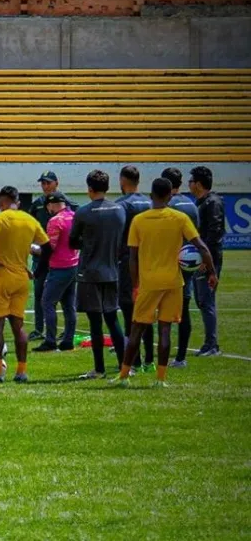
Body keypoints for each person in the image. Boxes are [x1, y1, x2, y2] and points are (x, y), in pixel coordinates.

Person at [110, 178, 218, 387]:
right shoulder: (179, 218)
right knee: (165, 329)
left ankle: (123, 376)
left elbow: (133, 257)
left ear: (151, 196)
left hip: (149, 282)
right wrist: (212, 272)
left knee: (136, 329)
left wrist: (135, 284)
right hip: (173, 282)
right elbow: (202, 247)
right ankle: (160, 379)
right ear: (170, 196)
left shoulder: (139, 220)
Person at [0, 186, 50, 384]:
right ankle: (21, 371)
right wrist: (37, 273)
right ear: (17, 202)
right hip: (22, 278)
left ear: (1, 203)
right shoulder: (30, 220)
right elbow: (47, 247)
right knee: (18, 327)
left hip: (1, 276)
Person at [68, 170, 127, 379]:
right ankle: (123, 366)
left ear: (89, 189)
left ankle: (99, 369)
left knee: (95, 323)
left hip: (90, 272)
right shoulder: (119, 210)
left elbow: (72, 241)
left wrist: (88, 243)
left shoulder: (83, 212)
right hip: (112, 270)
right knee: (113, 319)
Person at [27, 171, 76, 340]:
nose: (45, 186)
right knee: (40, 293)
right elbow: (30, 225)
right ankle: (39, 329)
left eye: (48, 183)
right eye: (43, 183)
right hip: (41, 256)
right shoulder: (37, 204)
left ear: (56, 183)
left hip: (60, 257)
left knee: (63, 297)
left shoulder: (67, 204)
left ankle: (61, 332)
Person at [160, 167, 200, 368]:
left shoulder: (170, 205)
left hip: (169, 264)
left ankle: (161, 357)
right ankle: (181, 357)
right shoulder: (191, 204)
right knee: (184, 309)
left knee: (163, 312)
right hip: (188, 263)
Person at [116, 165, 154, 372]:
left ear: (122, 181)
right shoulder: (150, 203)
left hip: (128, 263)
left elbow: (118, 234)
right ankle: (149, 359)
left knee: (130, 311)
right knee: (147, 312)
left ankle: (133, 360)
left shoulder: (122, 205)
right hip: (149, 262)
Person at [34, 193, 78, 352]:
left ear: (51, 205)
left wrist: (33, 249)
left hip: (59, 267)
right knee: (68, 305)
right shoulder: (73, 216)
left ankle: (50, 341)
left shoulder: (55, 221)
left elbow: (49, 248)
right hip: (73, 264)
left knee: (47, 302)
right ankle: (68, 340)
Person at [188, 166, 225, 357]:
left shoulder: (212, 203)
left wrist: (207, 260)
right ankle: (209, 343)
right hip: (200, 259)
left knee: (207, 300)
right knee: (202, 300)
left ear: (199, 184)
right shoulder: (202, 202)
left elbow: (214, 234)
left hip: (207, 261)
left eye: (191, 180)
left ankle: (212, 345)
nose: (189, 184)